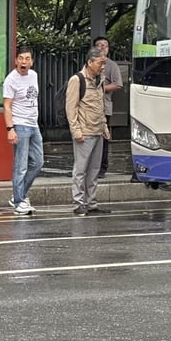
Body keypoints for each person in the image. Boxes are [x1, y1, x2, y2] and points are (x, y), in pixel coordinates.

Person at [66, 47, 111, 215]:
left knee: (94, 170)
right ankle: (78, 202)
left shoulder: (100, 79)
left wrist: (104, 126)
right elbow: (71, 108)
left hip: (97, 130)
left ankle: (91, 202)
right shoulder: (77, 80)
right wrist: (75, 130)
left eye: (104, 63)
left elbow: (100, 105)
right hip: (84, 132)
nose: (103, 66)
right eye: (100, 63)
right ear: (90, 62)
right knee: (81, 169)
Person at [2, 45, 44, 215]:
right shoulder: (11, 80)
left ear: (32, 62)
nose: (24, 62)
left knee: (38, 162)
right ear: (16, 60)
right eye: (21, 58)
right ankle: (19, 202)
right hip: (20, 125)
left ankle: (18, 195)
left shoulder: (33, 75)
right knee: (21, 166)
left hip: (34, 124)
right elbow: (7, 105)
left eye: (27, 59)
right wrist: (10, 129)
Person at [92, 36, 123, 179]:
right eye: (99, 45)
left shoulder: (112, 65)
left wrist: (101, 88)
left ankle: (102, 167)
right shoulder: (89, 64)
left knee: (103, 138)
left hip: (104, 106)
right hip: (89, 106)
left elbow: (118, 84)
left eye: (105, 45)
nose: (103, 47)